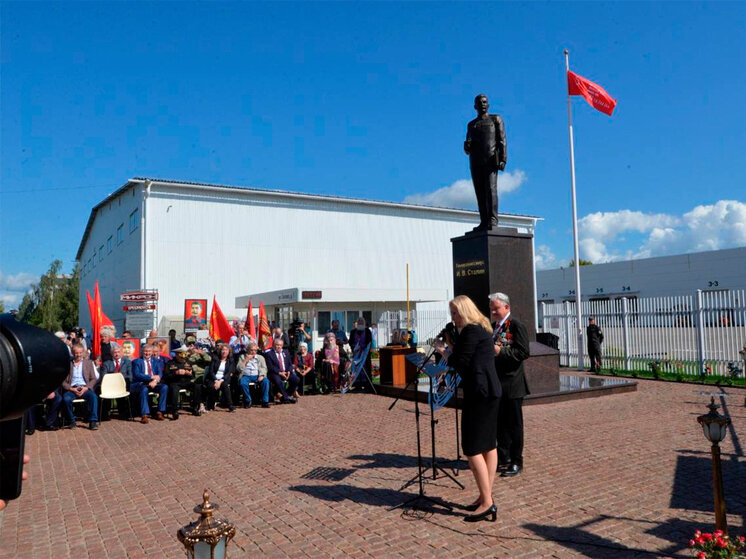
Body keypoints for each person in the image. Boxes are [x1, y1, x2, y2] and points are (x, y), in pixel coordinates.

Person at [437, 295, 500, 522]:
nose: (453, 318)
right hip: (489, 391)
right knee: (488, 446)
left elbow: (459, 362)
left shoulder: (472, 331)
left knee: (473, 448)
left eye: (455, 313)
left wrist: (443, 350)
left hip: (480, 394)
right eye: (451, 313)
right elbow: (467, 357)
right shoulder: (481, 328)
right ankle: (486, 496)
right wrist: (452, 346)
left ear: (464, 311)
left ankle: (487, 502)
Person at [489, 292, 530, 477]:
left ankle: (516, 460)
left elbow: (522, 352)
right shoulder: (493, 327)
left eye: (496, 308)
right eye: (491, 308)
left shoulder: (516, 325)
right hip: (497, 383)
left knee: (514, 424)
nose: (493, 312)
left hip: (512, 383)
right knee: (499, 423)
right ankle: (502, 456)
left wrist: (500, 351)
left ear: (506, 307)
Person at [464, 94, 507, 231]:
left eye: (485, 102)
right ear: (475, 106)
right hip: (475, 162)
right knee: (480, 192)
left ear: (488, 104)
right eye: (480, 102)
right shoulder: (471, 125)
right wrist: (467, 146)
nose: (483, 104)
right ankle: (484, 221)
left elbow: (502, 140)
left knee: (490, 190)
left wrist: (503, 159)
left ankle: (493, 220)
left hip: (490, 161)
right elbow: (467, 149)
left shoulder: (496, 119)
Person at [61, 343, 100, 430]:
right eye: (76, 353)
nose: (78, 355)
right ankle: (71, 421)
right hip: (72, 388)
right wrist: (71, 389)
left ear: (83, 353)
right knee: (66, 399)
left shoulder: (89, 363)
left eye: (80, 353)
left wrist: (86, 388)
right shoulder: (68, 364)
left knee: (93, 397)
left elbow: (93, 378)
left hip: (85, 387)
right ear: (72, 353)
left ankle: (93, 421)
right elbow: (62, 381)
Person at [131, 343, 169, 423]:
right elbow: (137, 374)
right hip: (141, 383)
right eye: (145, 351)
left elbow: (159, 373)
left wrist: (155, 381)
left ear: (152, 352)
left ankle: (160, 412)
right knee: (144, 389)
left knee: (164, 387)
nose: (147, 353)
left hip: (154, 383)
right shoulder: (137, 361)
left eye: (149, 351)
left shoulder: (156, 361)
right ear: (142, 352)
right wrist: (151, 377)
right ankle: (144, 415)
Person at [163, 345, 203, 418]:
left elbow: (193, 375)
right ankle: (174, 410)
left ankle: (195, 408)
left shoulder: (188, 362)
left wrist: (190, 374)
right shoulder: (170, 363)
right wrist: (176, 373)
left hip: (186, 382)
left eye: (185, 354)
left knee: (197, 386)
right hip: (175, 382)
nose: (183, 357)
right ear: (177, 354)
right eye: (181, 354)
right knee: (174, 389)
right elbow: (166, 376)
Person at [98, 344, 132, 420]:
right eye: (115, 352)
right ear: (111, 354)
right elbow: (103, 377)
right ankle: (106, 413)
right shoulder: (107, 363)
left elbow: (130, 377)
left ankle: (124, 413)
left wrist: (118, 377)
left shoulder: (127, 362)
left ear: (121, 353)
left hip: (123, 386)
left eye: (118, 352)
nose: (117, 354)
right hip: (110, 387)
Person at [237, 341, 271, 408]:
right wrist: (245, 360)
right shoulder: (242, 357)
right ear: (247, 350)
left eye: (255, 350)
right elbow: (239, 369)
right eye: (251, 350)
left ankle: (265, 401)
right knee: (242, 383)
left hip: (257, 375)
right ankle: (248, 400)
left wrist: (261, 375)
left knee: (266, 381)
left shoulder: (260, 358)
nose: (253, 352)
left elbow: (264, 368)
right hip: (246, 375)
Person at [265, 338, 298, 404]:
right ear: (273, 345)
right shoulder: (269, 354)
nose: (279, 347)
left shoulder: (286, 352)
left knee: (296, 379)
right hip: (275, 373)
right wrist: (280, 373)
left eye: (280, 345)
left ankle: (286, 396)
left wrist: (289, 371)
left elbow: (290, 364)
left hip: (286, 372)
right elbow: (270, 367)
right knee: (278, 380)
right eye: (277, 345)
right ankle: (286, 397)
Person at [204, 344, 236, 412]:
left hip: (224, 379)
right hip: (213, 378)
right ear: (220, 351)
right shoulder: (215, 359)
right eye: (223, 350)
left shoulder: (231, 361)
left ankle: (230, 405)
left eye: (226, 350)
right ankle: (210, 405)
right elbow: (211, 371)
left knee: (225, 386)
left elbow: (228, 373)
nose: (224, 352)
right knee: (211, 386)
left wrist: (220, 381)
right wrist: (216, 380)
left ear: (229, 352)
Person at [348, 318, 373, 389]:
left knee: (365, 369)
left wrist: (364, 347)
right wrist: (354, 347)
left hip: (365, 354)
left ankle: (366, 384)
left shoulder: (367, 331)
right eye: (359, 323)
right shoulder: (353, 332)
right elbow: (350, 341)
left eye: (362, 323)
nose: (361, 324)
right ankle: (357, 385)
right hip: (356, 353)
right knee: (355, 368)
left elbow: (369, 341)